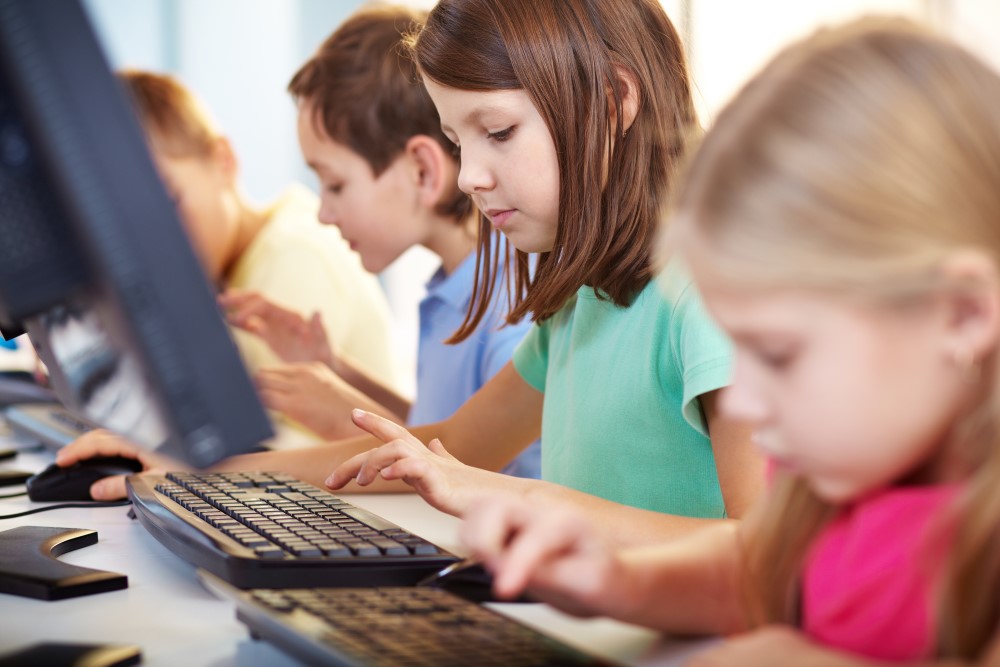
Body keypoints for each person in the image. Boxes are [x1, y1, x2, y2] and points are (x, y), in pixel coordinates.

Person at [62, 0, 759, 549]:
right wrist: (201, 477)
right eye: (459, 142)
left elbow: (767, 551)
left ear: (612, 101)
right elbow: (445, 448)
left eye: (499, 131)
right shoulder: (582, 299)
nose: (473, 176)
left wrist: (519, 500)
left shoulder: (709, 291)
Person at [455, 18, 1000, 665]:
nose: (742, 403)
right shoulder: (836, 477)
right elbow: (751, 567)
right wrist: (621, 582)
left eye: (779, 356)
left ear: (962, 315)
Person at [215, 6, 541, 477]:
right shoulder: (452, 285)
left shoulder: (510, 301)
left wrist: (343, 417)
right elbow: (453, 428)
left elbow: (474, 467)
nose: (323, 212)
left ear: (423, 171)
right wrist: (336, 372)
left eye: (336, 184)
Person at [119, 70, 405, 446]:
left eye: (171, 201)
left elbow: (277, 447)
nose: (160, 239)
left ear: (223, 161)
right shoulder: (229, 268)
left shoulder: (294, 255)